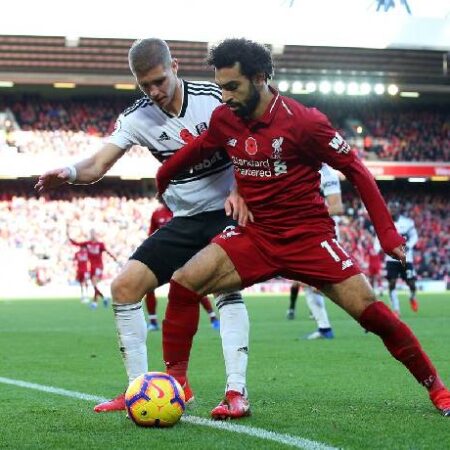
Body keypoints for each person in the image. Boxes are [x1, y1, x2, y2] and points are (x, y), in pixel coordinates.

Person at [156, 38, 450, 417]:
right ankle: (177, 385)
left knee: (373, 314)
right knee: (183, 282)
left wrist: (387, 234)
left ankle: (438, 389)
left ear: (260, 77)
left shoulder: (305, 123)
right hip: (257, 236)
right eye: (220, 87)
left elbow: (356, 170)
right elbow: (198, 149)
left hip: (309, 240)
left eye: (232, 87)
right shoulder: (223, 119)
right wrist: (165, 175)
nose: (224, 96)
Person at [35, 38, 251, 419]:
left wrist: (240, 190)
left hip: (225, 213)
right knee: (124, 287)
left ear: (175, 67)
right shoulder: (137, 117)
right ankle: (138, 390)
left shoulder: (212, 99)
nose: (153, 91)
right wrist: (68, 173)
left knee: (224, 287)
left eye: (158, 80)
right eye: (143, 84)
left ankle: (236, 391)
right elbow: (97, 165)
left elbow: (254, 144)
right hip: (185, 220)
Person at [287, 163, 344, 340]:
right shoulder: (298, 169)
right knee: (306, 283)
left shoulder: (327, 174)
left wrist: (306, 216)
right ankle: (324, 328)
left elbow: (337, 208)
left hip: (323, 232)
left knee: (336, 283)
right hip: (305, 233)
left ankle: (369, 316)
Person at [146, 199, 219, 331]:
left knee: (194, 287)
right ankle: (152, 322)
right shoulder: (156, 214)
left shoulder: (183, 211)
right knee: (148, 286)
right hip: (162, 257)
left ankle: (213, 317)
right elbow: (151, 235)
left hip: (182, 257)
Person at [68, 228, 117, 309]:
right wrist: (69, 238)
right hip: (91, 267)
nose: (92, 235)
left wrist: (114, 257)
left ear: (96, 234)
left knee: (94, 283)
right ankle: (102, 299)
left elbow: (106, 251)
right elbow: (76, 244)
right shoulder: (87, 243)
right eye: (91, 233)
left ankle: (96, 302)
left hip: (99, 266)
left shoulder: (100, 244)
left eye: (93, 233)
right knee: (94, 285)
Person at [384, 201, 419, 316]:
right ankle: (396, 309)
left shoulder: (408, 223)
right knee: (392, 283)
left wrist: (409, 245)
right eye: (391, 208)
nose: (393, 210)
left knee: (412, 284)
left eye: (395, 208)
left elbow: (414, 236)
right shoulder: (385, 223)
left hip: (406, 258)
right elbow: (380, 237)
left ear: (399, 209)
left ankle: (412, 298)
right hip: (391, 258)